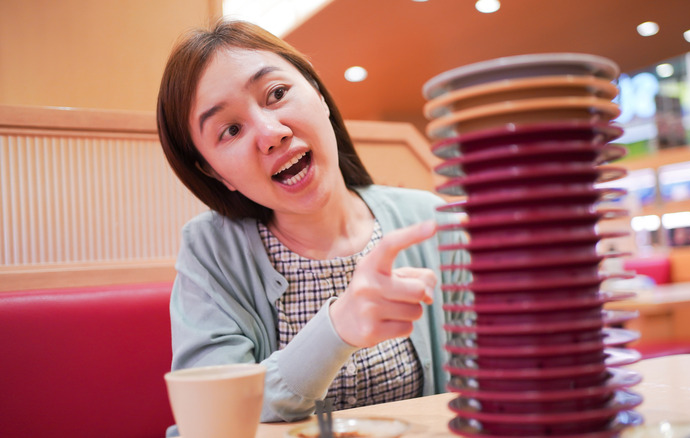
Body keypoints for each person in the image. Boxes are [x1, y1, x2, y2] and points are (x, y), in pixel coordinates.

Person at [156, 19, 467, 428]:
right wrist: (338, 327)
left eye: (277, 93)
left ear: (318, 94)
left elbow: (492, 382)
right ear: (216, 173)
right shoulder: (210, 252)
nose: (271, 134)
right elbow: (214, 419)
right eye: (230, 129)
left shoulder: (431, 221)